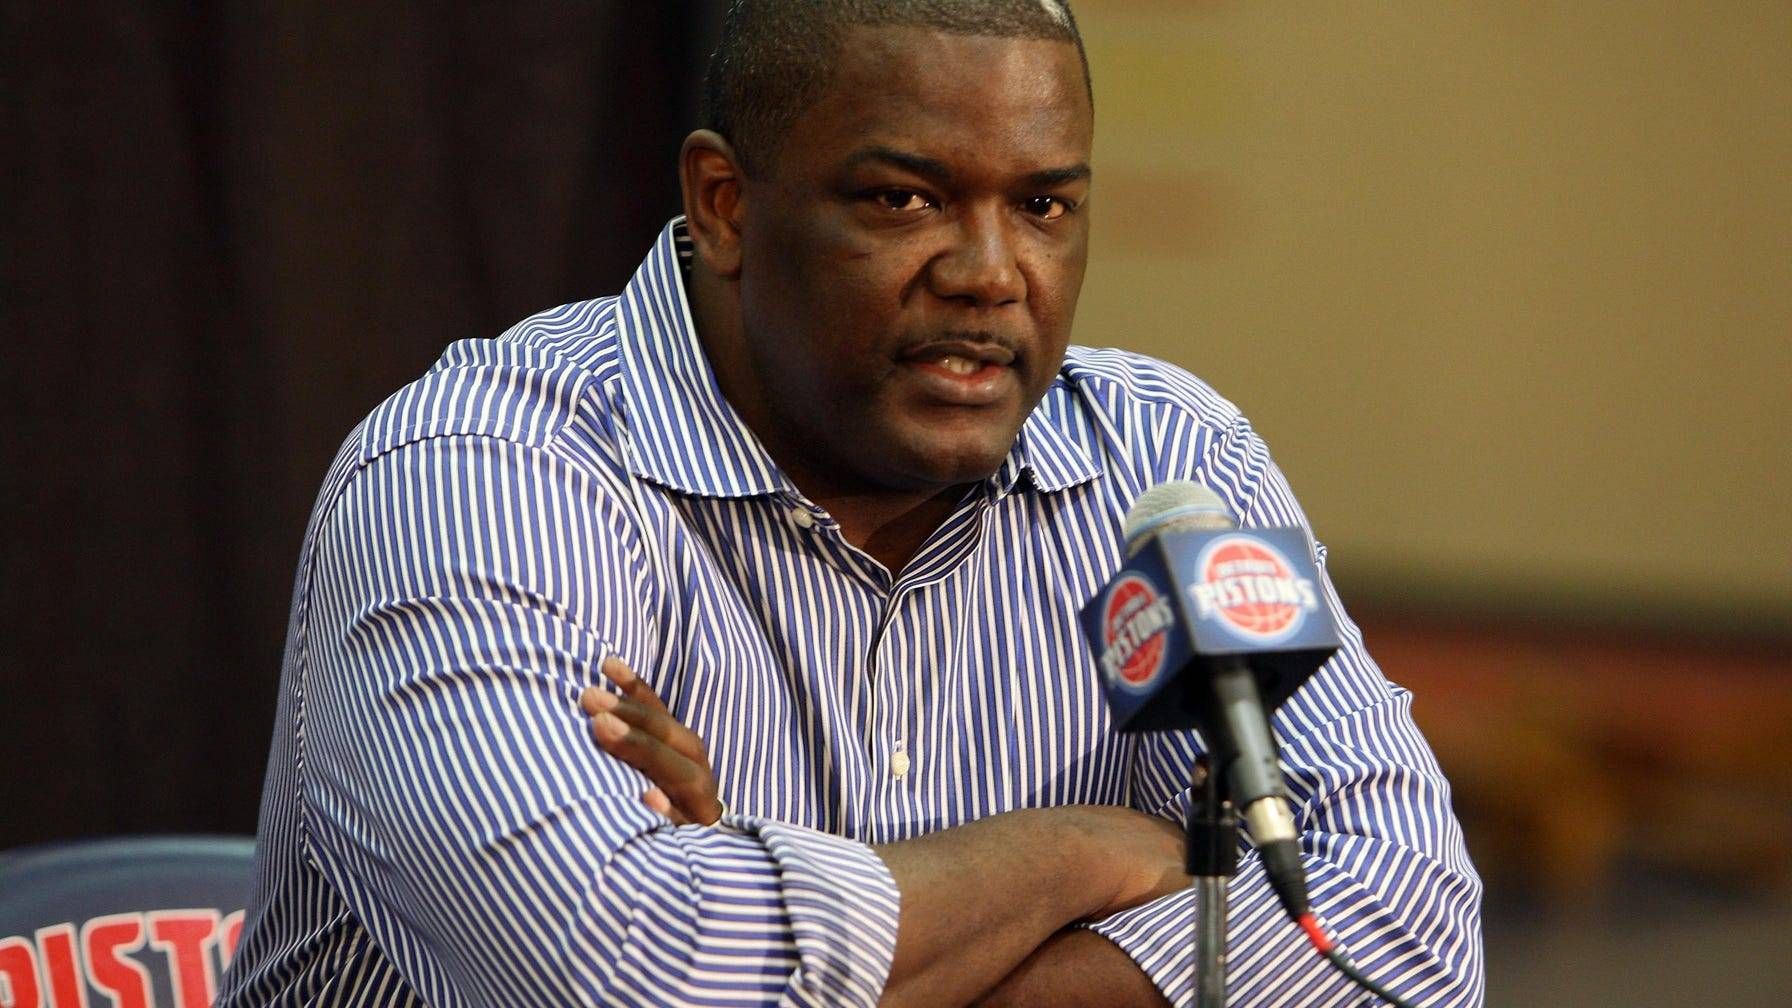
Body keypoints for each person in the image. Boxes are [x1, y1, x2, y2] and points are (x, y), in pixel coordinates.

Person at [221, 2, 1484, 1005]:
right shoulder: (480, 475)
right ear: (724, 204)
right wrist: (1079, 857)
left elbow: (1407, 937)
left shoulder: (1168, 462)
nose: (991, 274)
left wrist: (796, 928)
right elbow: (627, 974)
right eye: (904, 199)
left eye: (1042, 205)